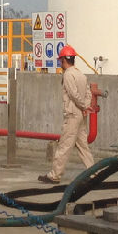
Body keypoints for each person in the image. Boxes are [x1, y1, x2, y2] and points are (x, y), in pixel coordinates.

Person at [40, 46, 100, 185]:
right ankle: (94, 173)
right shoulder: (81, 74)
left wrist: (83, 106)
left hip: (73, 115)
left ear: (63, 60)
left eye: (60, 60)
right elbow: (88, 93)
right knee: (83, 146)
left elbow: (73, 94)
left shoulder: (68, 74)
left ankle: (54, 175)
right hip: (81, 115)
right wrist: (85, 107)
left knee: (64, 145)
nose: (60, 63)